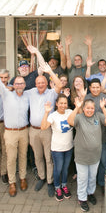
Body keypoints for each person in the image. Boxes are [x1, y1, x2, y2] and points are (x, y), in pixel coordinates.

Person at [26, 47, 62, 197]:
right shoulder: (30, 93)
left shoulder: (52, 93)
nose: (40, 84)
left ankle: (49, 181)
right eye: (38, 82)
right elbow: (16, 89)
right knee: (37, 156)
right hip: (33, 130)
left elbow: (59, 85)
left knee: (48, 157)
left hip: (47, 130)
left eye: (43, 82)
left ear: (47, 83)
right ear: (35, 83)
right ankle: (41, 177)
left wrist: (50, 72)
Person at [67, 97, 106, 212]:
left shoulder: (98, 116)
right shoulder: (79, 117)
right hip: (82, 155)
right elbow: (70, 121)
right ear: (84, 108)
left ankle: (90, 193)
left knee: (92, 177)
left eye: (92, 108)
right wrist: (77, 107)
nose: (90, 110)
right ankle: (82, 198)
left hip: (95, 155)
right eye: (87, 108)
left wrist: (103, 108)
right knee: (82, 178)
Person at [0, 76, 29, 197]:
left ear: (25, 85)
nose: (19, 85)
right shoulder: (6, 94)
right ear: (13, 84)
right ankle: (12, 182)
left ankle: (22, 178)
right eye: (16, 83)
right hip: (10, 132)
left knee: (23, 156)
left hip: (24, 131)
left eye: (21, 83)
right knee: (11, 158)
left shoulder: (27, 95)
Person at [41, 94, 73, 202]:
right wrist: (46, 112)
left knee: (65, 168)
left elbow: (80, 115)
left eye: (65, 103)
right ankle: (57, 187)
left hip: (69, 147)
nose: (63, 105)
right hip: (57, 148)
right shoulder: (53, 115)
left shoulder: (69, 112)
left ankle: (64, 185)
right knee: (58, 168)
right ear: (57, 104)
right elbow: (43, 127)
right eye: (61, 103)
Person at [85, 78, 106, 193]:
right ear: (90, 88)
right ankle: (89, 185)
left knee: (103, 161)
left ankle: (102, 183)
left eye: (97, 87)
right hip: (89, 138)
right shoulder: (86, 98)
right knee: (90, 162)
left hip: (103, 136)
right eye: (93, 87)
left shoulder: (105, 97)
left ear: (100, 87)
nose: (95, 89)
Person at [0, 69, 10, 184]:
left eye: (5, 77)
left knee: (4, 148)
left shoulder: (11, 89)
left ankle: (4, 172)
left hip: (4, 123)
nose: (3, 80)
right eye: (1, 78)